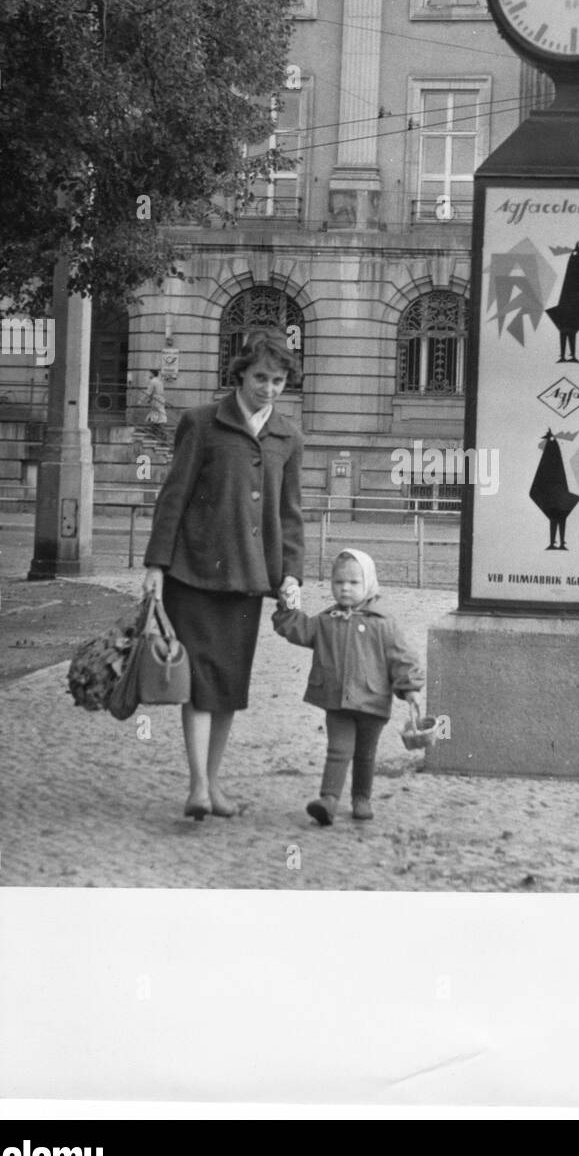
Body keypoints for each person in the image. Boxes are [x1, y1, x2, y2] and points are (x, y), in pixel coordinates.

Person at [142, 330, 304, 820]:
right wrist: (155, 564)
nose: (268, 389)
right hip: (192, 573)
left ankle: (214, 783)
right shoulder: (200, 422)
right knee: (195, 680)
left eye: (277, 380)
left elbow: (290, 513)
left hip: (249, 579)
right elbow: (174, 495)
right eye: (260, 377)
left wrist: (291, 574)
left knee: (229, 685)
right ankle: (196, 785)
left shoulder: (289, 436)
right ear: (239, 374)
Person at [272, 548, 424, 826]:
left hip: (373, 702)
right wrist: (286, 606)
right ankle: (329, 800)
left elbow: (401, 657)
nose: (345, 589)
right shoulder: (326, 621)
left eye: (353, 583)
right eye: (339, 582)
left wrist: (410, 687)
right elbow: (298, 628)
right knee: (338, 750)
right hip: (336, 701)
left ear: (368, 583)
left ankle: (361, 798)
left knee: (365, 754)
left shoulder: (383, 623)